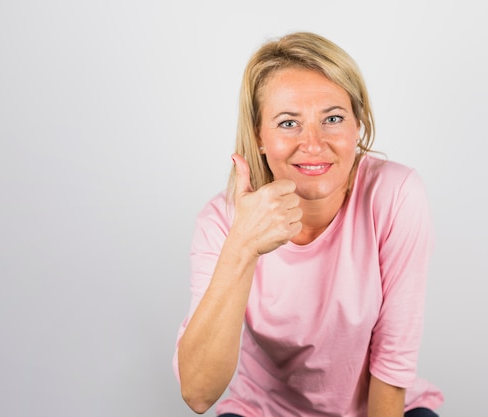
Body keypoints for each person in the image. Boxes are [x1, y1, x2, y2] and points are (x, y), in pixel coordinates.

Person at [173, 31, 444, 417]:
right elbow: (198, 392)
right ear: (259, 136)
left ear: (358, 125)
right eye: (288, 123)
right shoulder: (220, 221)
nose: (313, 144)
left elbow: (393, 358)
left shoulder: (396, 194)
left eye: (332, 118)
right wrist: (243, 245)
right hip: (262, 411)